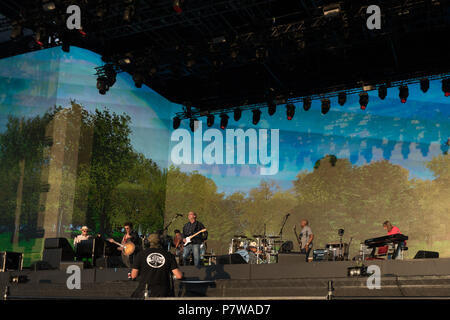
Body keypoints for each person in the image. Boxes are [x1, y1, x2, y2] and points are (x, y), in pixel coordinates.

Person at [131, 233, 183, 298]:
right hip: (163, 293)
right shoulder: (169, 255)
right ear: (162, 242)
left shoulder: (140, 255)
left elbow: (133, 275)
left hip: (145, 291)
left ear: (147, 243)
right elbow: (179, 276)